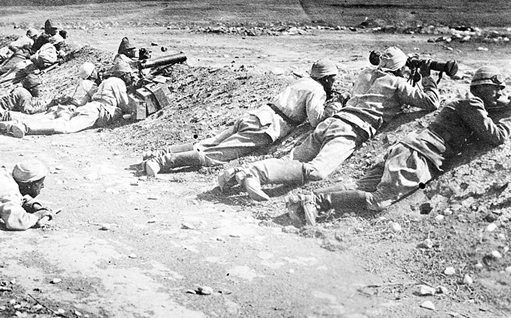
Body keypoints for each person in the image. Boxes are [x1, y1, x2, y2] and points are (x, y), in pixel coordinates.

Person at [287, 65, 511, 225]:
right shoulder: (472, 104)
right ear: (480, 88)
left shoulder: (468, 103)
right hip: (420, 155)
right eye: (496, 88)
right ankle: (315, 202)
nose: (500, 94)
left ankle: (301, 201)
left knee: (362, 186)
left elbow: (493, 111)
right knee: (378, 201)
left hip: (409, 149)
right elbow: (497, 135)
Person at [218, 47, 441, 201]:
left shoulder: (365, 75)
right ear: (400, 68)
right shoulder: (397, 82)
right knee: (317, 171)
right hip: (351, 130)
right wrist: (427, 77)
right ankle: (256, 173)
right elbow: (431, 102)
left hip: (331, 122)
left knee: (292, 159)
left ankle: (239, 173)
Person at [142, 59, 345, 180]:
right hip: (268, 126)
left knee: (209, 142)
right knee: (218, 155)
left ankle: (159, 153)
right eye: (333, 80)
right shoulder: (317, 89)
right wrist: (333, 106)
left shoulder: (302, 81)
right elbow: (315, 120)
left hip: (258, 114)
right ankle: (164, 161)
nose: (333, 84)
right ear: (326, 78)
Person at [0, 74, 129, 137]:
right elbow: (126, 104)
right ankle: (24, 127)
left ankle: (9, 118)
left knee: (51, 118)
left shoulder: (105, 82)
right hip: (96, 111)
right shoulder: (119, 83)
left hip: (87, 107)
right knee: (64, 127)